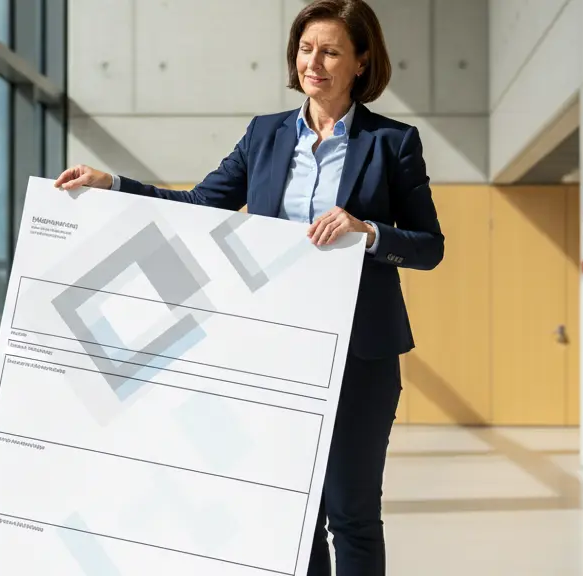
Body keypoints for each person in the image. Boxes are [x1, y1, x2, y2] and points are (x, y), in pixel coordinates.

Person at [54, 0, 444, 574]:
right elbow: (199, 204)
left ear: (361, 62)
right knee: (295, 510)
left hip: (360, 352)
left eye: (331, 50)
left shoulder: (393, 143)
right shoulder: (265, 137)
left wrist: (368, 232)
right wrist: (112, 184)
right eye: (307, 48)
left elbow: (429, 246)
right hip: (276, 351)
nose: (314, 62)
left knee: (352, 511)